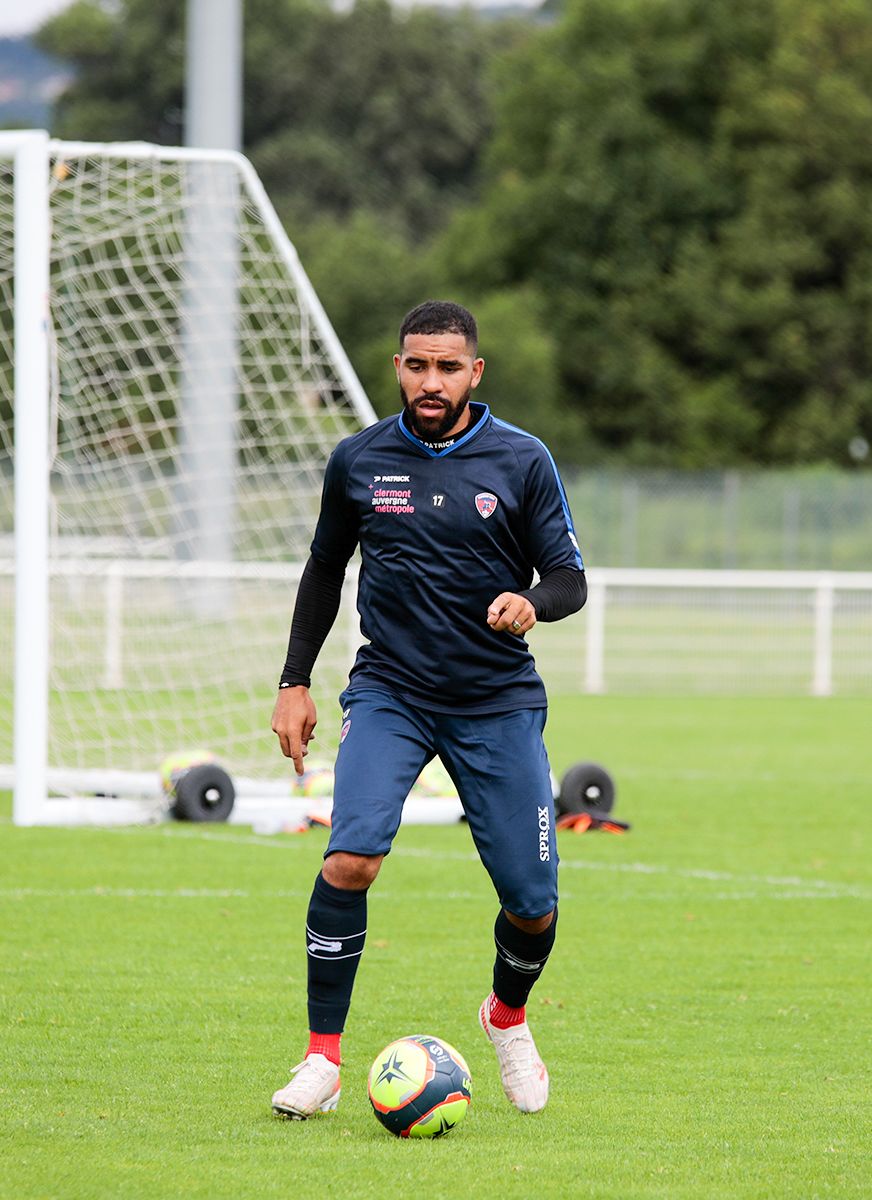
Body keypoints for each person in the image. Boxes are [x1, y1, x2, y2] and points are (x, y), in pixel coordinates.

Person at [267, 300, 587, 1120]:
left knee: (532, 902)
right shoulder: (360, 460)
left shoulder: (522, 460)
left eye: (448, 366)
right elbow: (322, 569)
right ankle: (322, 1060)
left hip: (496, 701)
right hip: (391, 694)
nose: (431, 380)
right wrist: (294, 680)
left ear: (475, 373)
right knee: (351, 859)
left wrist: (531, 602)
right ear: (399, 368)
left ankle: (506, 1016)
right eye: (417, 364)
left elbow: (569, 579)